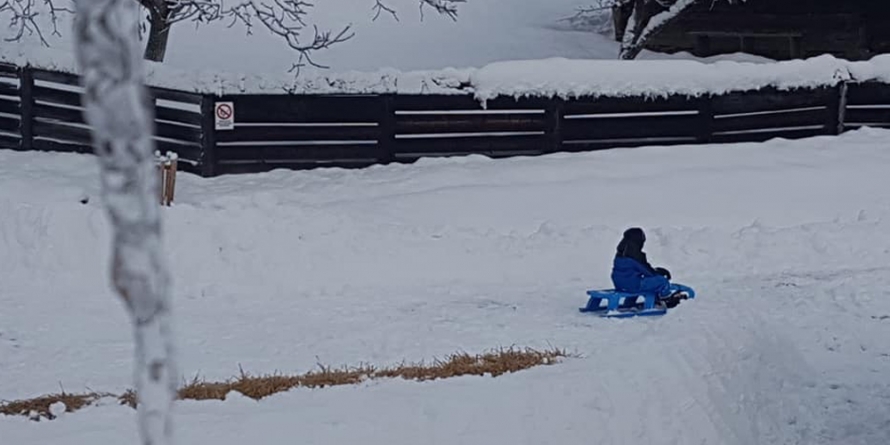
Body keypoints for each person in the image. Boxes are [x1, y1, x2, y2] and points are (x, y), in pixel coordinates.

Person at [610, 227, 684, 308]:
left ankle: (640, 300)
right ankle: (667, 298)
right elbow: (648, 272)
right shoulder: (635, 256)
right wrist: (658, 272)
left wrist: (655, 270)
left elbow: (634, 270)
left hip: (619, 283)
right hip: (632, 285)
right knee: (661, 281)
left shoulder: (620, 254)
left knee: (644, 280)